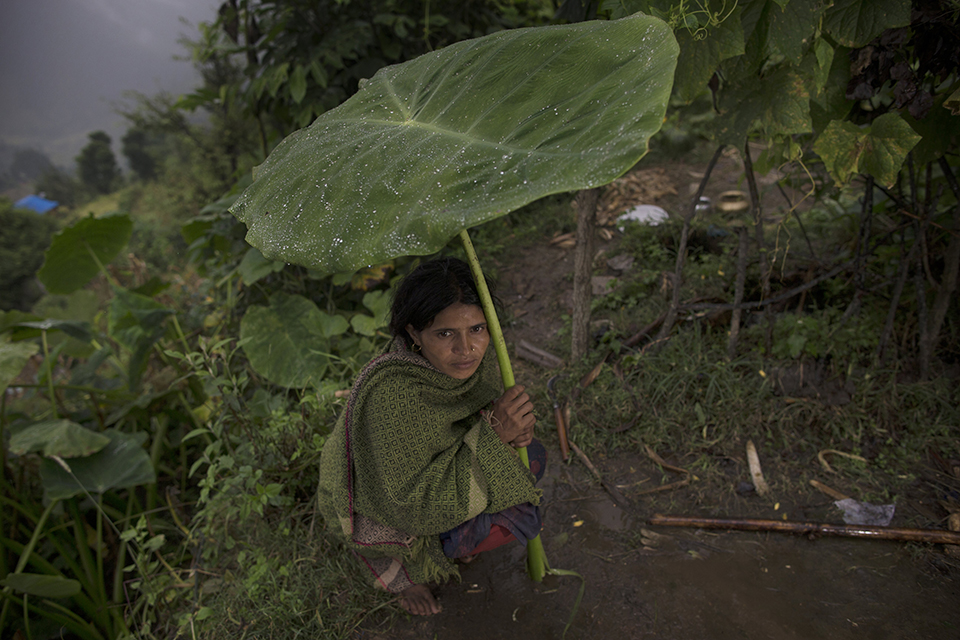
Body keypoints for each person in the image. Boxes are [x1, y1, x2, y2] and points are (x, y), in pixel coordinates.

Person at [318, 257, 544, 616]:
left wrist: (514, 428)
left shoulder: (475, 362)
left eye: (477, 329)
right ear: (413, 334)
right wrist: (498, 434)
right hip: (390, 508)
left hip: (447, 467)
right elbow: (408, 506)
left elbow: (479, 416)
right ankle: (407, 578)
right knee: (505, 521)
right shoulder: (394, 398)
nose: (466, 349)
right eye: (445, 333)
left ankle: (462, 536)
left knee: (533, 456)